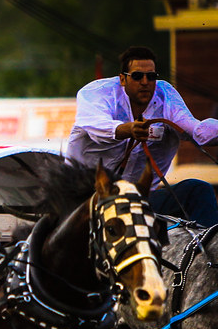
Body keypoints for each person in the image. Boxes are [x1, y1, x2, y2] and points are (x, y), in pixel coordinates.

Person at [67, 45, 218, 227]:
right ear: (123, 79)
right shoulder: (98, 92)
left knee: (199, 190)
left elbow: (196, 131)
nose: (145, 82)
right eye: (137, 76)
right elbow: (96, 125)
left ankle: (207, 251)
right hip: (88, 201)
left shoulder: (165, 96)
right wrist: (128, 129)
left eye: (151, 76)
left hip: (140, 202)